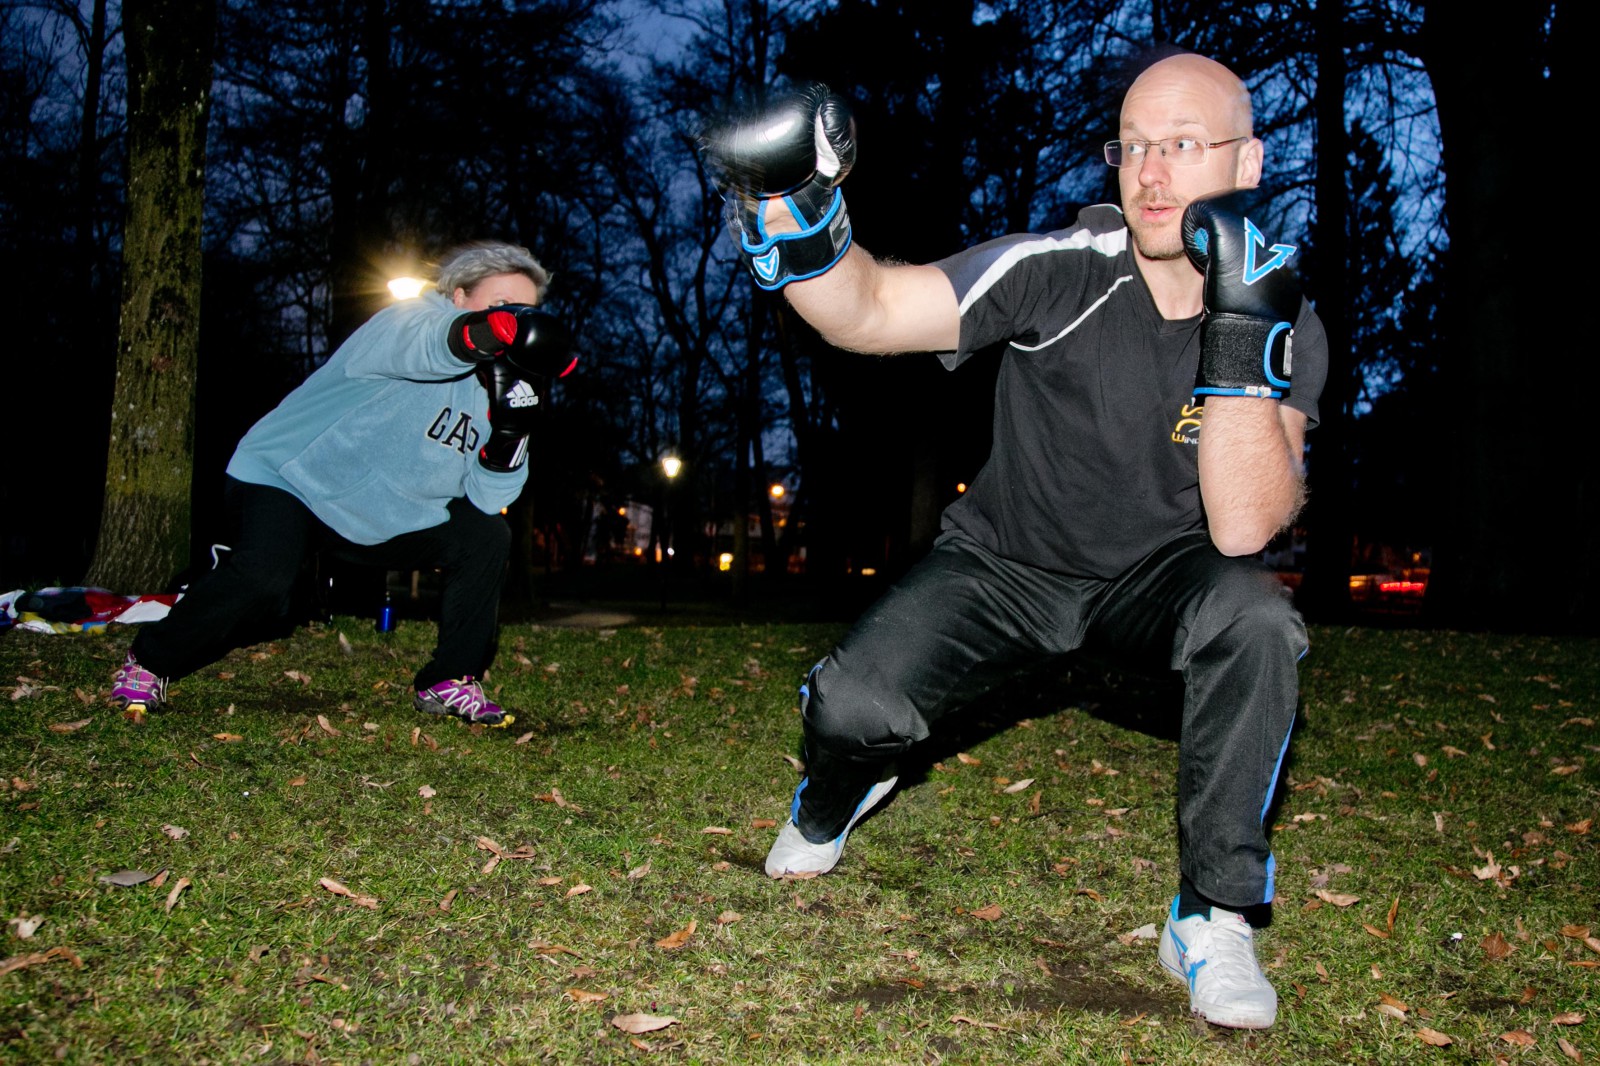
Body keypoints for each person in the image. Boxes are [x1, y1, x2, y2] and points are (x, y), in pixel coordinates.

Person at [706, 54, 1326, 1030]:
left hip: (1158, 580)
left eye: (1181, 146)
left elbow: (1245, 525)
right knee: (852, 702)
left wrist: (1240, 335)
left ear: (1245, 161)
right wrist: (799, 214)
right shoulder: (1062, 268)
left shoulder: (1283, 316)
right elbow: (870, 311)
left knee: (1255, 620)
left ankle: (1210, 917)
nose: (1151, 173)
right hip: (1005, 564)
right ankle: (833, 799)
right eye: (1132, 148)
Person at [109, 241, 574, 728]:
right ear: (458, 297)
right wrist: (487, 335)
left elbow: (488, 498)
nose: (520, 322)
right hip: (289, 481)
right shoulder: (407, 322)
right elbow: (433, 346)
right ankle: (150, 662)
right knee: (267, 584)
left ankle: (449, 679)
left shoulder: (501, 385)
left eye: (528, 313)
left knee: (485, 536)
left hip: (378, 517)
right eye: (504, 307)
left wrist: (508, 434)